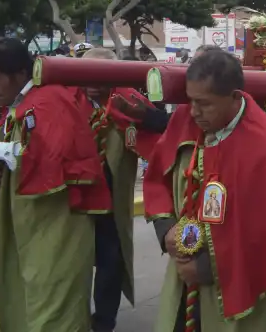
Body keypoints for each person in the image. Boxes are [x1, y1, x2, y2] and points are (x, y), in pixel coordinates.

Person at [144, 49, 266, 331]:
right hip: (184, 277)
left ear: (235, 96)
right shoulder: (184, 121)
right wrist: (166, 229)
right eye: (190, 101)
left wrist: (207, 267)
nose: (195, 112)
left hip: (240, 283)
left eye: (205, 104)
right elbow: (157, 178)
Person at [0, 37, 111, 331]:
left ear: (20, 73)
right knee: (27, 297)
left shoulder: (50, 102)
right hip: (27, 224)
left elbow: (52, 156)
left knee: (55, 304)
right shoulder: (20, 104)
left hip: (56, 224)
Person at [78, 47, 163, 332]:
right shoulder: (65, 100)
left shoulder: (128, 99)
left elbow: (171, 127)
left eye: (100, 76)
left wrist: (143, 117)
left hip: (112, 201)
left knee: (111, 263)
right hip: (72, 200)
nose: (92, 82)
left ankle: (103, 323)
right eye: (85, 74)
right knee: (70, 262)